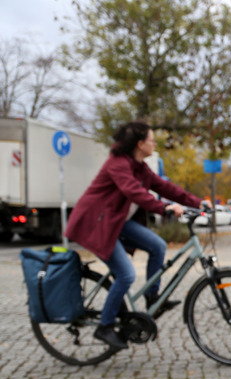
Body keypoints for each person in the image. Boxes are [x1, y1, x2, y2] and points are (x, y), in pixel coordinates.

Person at [65, 121, 210, 350]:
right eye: (152, 140)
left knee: (158, 246)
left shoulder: (140, 166)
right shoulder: (118, 164)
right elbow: (133, 191)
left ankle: (153, 299)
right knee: (125, 275)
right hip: (97, 225)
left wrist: (197, 202)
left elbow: (164, 187)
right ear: (140, 144)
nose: (154, 144)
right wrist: (164, 208)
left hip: (117, 222)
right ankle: (104, 326)